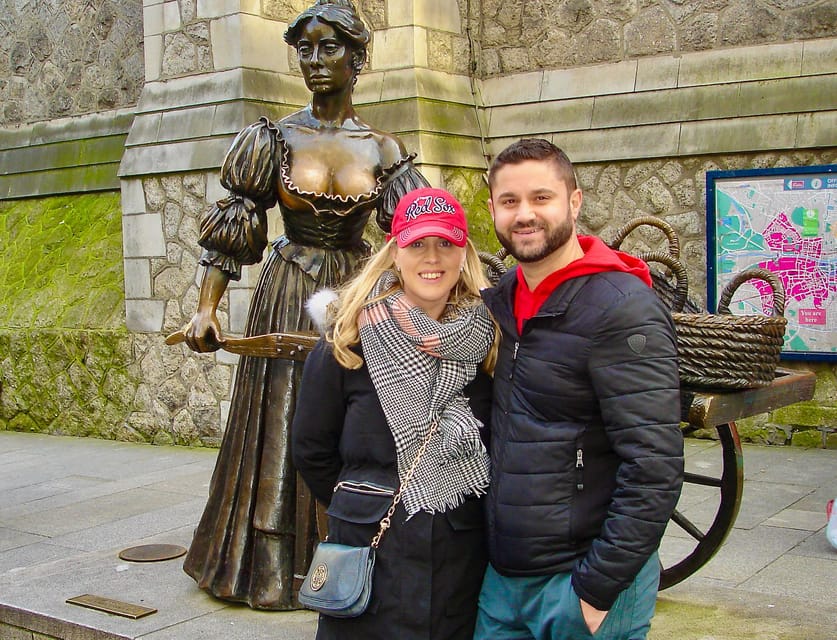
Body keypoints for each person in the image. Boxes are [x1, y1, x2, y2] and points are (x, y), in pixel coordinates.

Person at [180, 0, 428, 610]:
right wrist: (207, 308)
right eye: (305, 49)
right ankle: (269, 567)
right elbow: (234, 226)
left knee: (355, 420)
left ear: (357, 59)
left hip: (356, 297)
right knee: (281, 419)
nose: (315, 60)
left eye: (330, 47)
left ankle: (352, 549)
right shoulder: (272, 139)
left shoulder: (384, 149)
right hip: (288, 290)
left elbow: (420, 235)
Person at [474, 139, 684, 640]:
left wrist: (596, 590)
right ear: (493, 211)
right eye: (509, 201)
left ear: (574, 202)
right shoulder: (503, 301)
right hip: (504, 580)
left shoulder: (621, 308)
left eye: (541, 198)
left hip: (581, 581)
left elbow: (654, 465)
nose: (525, 214)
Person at [291, 187, 500, 639]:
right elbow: (311, 449)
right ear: (394, 253)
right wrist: (366, 500)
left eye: (445, 243)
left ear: (463, 253)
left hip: (457, 556)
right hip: (371, 553)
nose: (433, 257)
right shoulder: (347, 342)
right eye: (417, 243)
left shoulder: (488, 342)